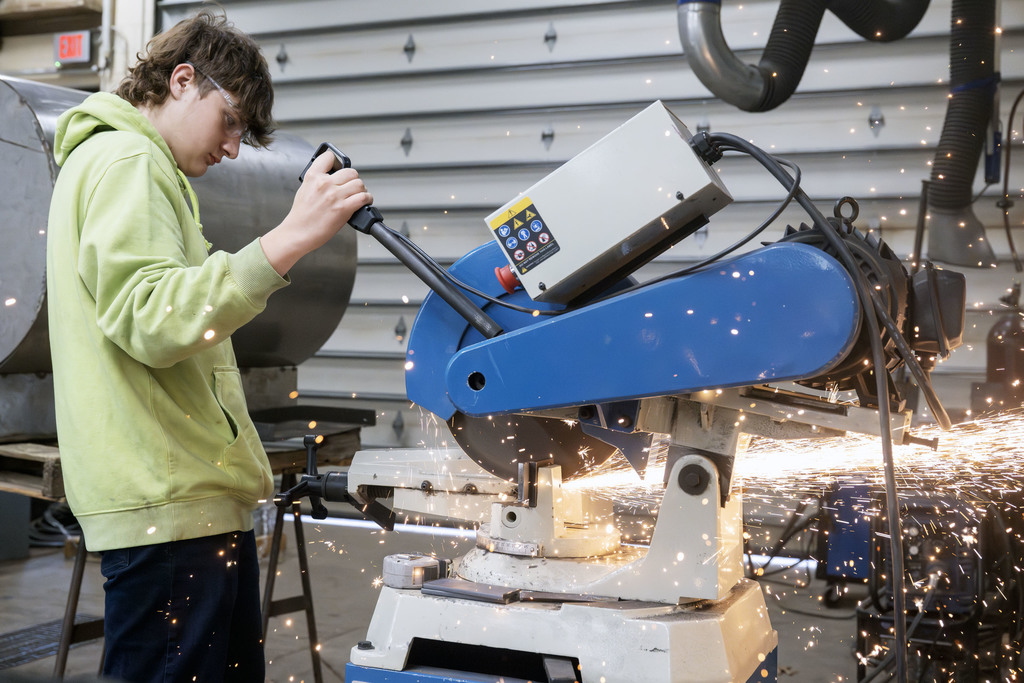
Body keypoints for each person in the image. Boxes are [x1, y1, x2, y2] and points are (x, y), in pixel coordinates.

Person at [45, 9, 371, 682]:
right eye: (230, 121)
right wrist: (290, 238)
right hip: (168, 513)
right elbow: (154, 318)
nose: (232, 148)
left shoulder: (131, 165)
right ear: (183, 80)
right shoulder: (129, 160)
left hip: (182, 507)